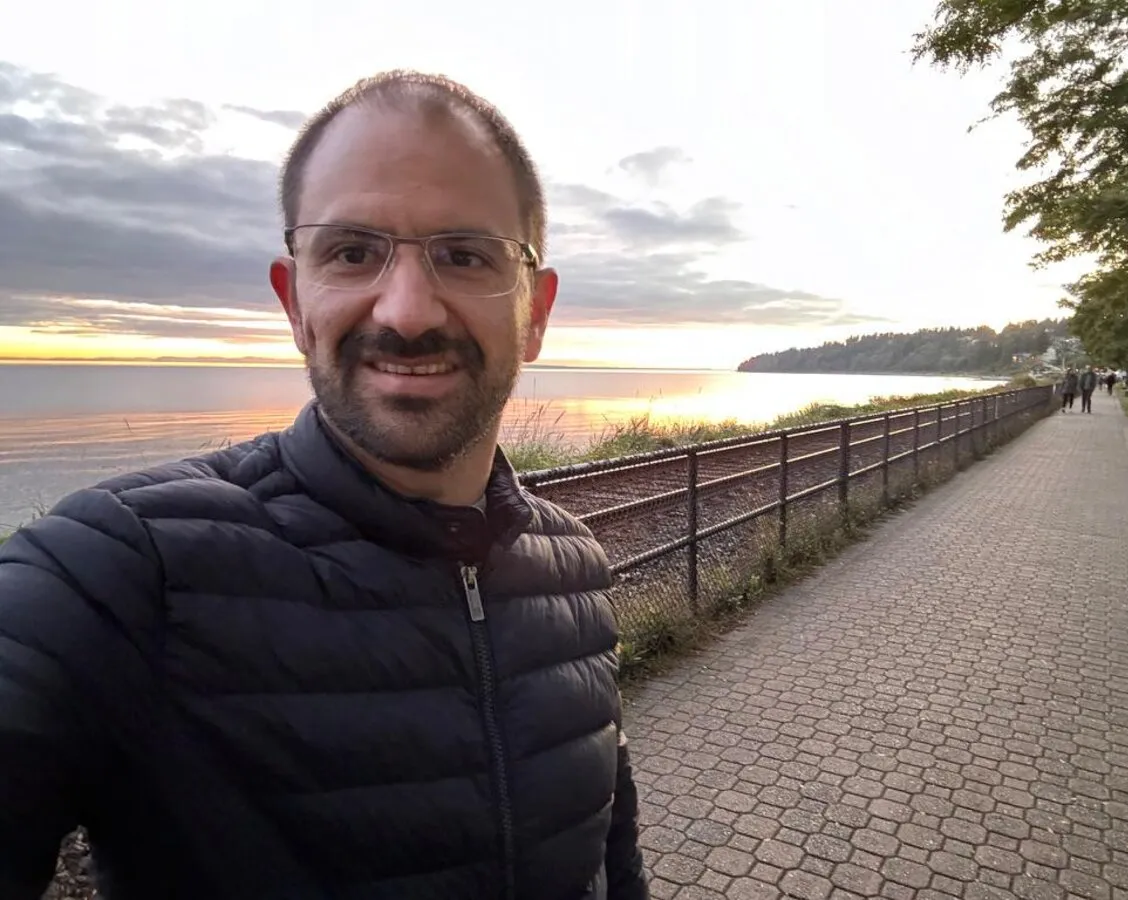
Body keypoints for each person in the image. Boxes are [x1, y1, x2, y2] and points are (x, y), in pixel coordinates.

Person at [0, 71, 648, 900]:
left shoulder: (577, 569)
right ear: (295, 301)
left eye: (464, 255)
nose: (408, 311)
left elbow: (613, 859)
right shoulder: (124, 570)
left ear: (536, 313)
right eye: (351, 252)